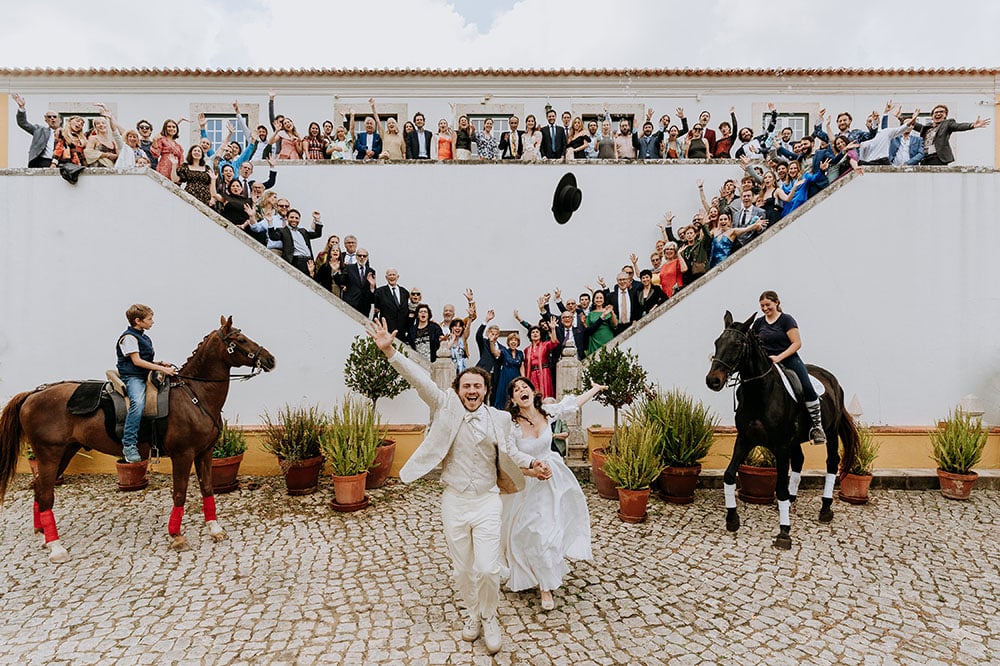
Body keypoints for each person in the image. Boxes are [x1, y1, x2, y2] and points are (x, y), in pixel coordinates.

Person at [366, 318, 548, 655]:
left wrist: (531, 464)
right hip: (454, 501)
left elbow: (510, 452)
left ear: (485, 390)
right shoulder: (445, 405)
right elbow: (420, 381)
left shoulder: (500, 418)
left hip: (487, 501)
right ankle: (473, 614)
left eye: (478, 387)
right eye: (467, 386)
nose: (472, 391)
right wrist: (391, 351)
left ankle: (490, 616)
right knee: (463, 570)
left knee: (489, 568)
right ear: (458, 390)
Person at [501, 378, 605, 610]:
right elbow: (509, 457)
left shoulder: (546, 412)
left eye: (524, 387)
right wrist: (532, 472)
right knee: (527, 532)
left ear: (532, 391)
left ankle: (545, 587)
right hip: (527, 482)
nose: (521, 390)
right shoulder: (511, 425)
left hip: (553, 481)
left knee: (547, 532)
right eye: (516, 390)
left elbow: (572, 404)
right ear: (514, 399)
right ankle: (528, 571)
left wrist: (595, 389)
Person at [751, 291, 826, 445]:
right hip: (767, 363)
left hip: (789, 360)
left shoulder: (786, 320)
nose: (765, 308)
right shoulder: (759, 323)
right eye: (762, 306)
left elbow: (797, 343)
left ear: (777, 303)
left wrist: (778, 357)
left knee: (807, 387)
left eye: (768, 305)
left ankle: (817, 427)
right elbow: (751, 344)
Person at [115, 304, 176, 463]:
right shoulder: (129, 338)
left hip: (145, 374)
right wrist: (161, 369)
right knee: (138, 403)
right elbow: (136, 361)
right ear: (138, 321)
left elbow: (145, 360)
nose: (152, 322)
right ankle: (128, 444)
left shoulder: (143, 336)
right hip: (133, 377)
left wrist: (160, 364)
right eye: (149, 319)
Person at [914, 104, 991, 166]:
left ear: (945, 115)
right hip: (924, 158)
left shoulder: (947, 124)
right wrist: (903, 118)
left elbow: (958, 126)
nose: (938, 113)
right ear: (932, 115)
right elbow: (912, 125)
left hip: (937, 158)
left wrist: (972, 125)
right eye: (936, 112)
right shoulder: (927, 128)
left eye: (941, 112)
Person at [12, 93, 62, 168]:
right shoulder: (39, 130)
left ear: (60, 120)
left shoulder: (66, 132)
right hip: (42, 161)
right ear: (46, 120)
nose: (52, 118)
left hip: (60, 162)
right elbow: (23, 123)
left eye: (54, 116)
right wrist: (21, 107)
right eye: (49, 117)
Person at [522, 325, 559, 399]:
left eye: (537, 332)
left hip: (544, 372)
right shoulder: (527, 349)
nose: (535, 334)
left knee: (545, 393)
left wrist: (553, 329)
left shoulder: (545, 345)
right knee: (534, 394)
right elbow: (524, 365)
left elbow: (554, 342)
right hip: (532, 374)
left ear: (540, 334)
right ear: (530, 335)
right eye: (533, 332)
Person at [490, 332, 524, 410]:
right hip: (505, 376)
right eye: (511, 340)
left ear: (518, 343)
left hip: (516, 376)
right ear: (508, 342)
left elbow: (522, 367)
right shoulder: (504, 351)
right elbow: (494, 353)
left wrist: (524, 379)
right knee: (504, 395)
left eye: (516, 340)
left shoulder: (520, 353)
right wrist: (491, 342)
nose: (513, 342)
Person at [584, 291, 616, 356]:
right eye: (597, 298)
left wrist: (611, 312)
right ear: (594, 300)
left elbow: (615, 324)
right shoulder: (590, 314)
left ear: (604, 300)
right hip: (594, 340)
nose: (599, 300)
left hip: (607, 337)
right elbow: (587, 328)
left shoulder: (608, 311)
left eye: (601, 298)